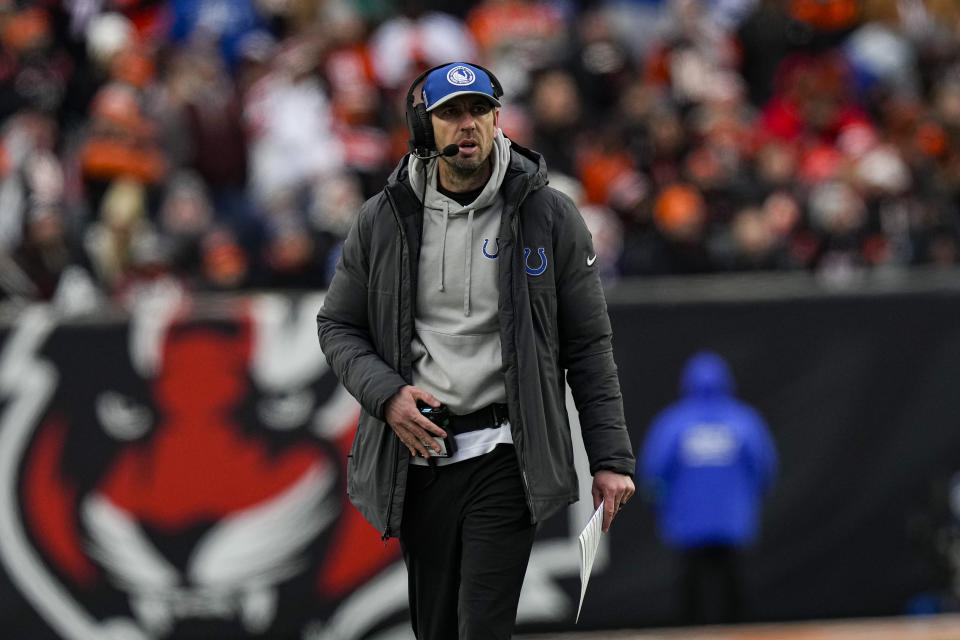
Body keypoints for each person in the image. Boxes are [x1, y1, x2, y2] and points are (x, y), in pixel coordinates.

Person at [316, 61, 635, 639]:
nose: (467, 125)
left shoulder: (549, 213)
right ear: (424, 126)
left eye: (479, 110)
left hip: (507, 453)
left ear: (497, 118)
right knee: (435, 630)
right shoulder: (382, 218)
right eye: (450, 113)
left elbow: (588, 343)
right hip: (421, 458)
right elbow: (337, 326)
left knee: (482, 628)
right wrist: (387, 397)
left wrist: (609, 458)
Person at [639, 350, 778, 625]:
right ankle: (738, 630)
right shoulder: (745, 421)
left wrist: (660, 503)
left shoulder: (673, 423)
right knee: (733, 581)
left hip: (687, 523)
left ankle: (690, 630)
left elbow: (653, 473)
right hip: (732, 521)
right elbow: (764, 467)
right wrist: (750, 498)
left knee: (689, 584)